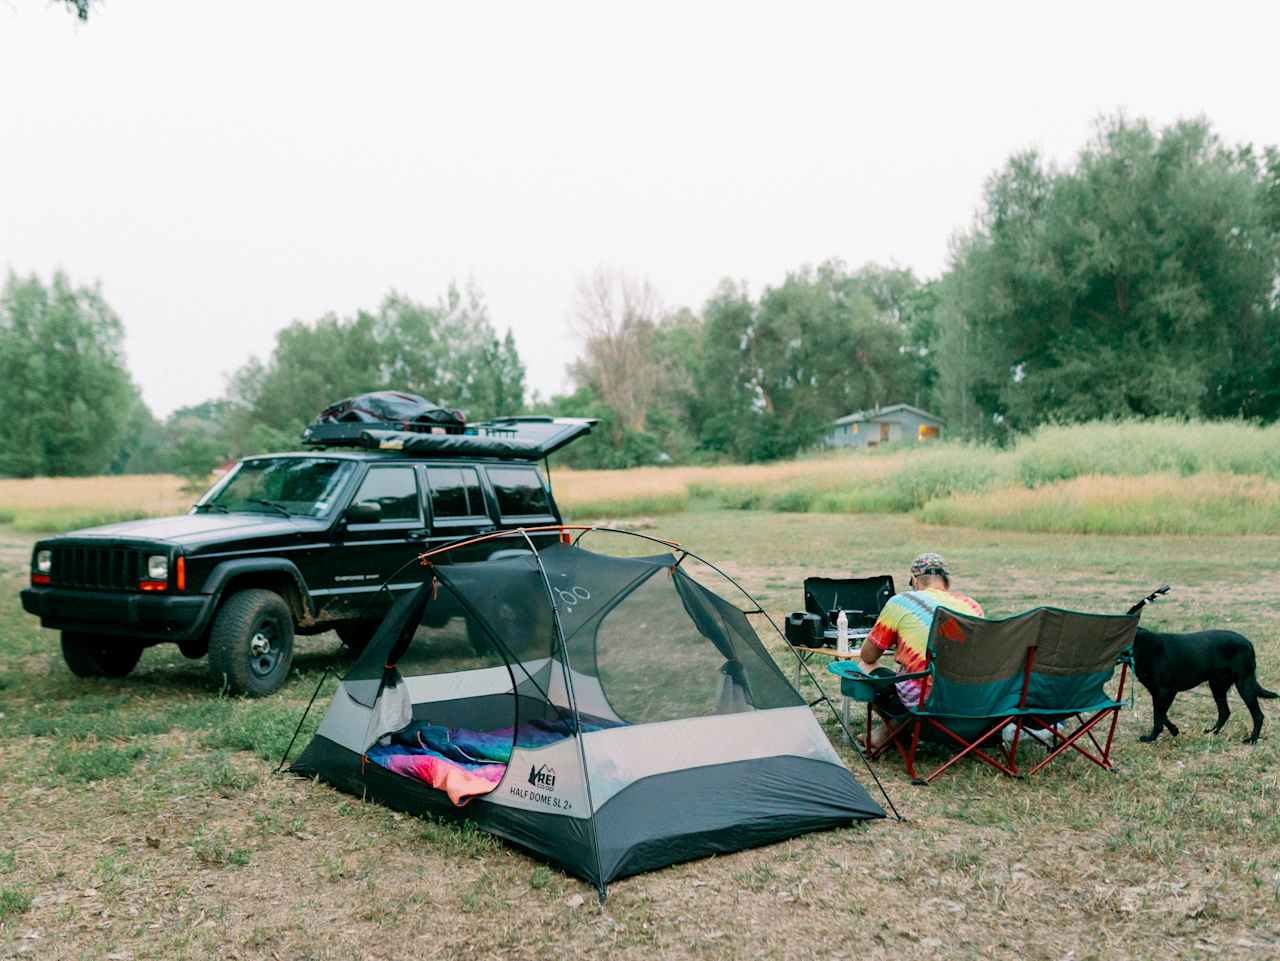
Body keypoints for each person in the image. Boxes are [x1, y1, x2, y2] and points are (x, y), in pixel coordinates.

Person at [855, 552, 984, 749]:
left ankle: (897, 730)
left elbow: (868, 655)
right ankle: (884, 734)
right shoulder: (972, 606)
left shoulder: (902, 602)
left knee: (864, 666)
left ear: (915, 580)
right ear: (946, 581)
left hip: (925, 707)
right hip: (973, 702)